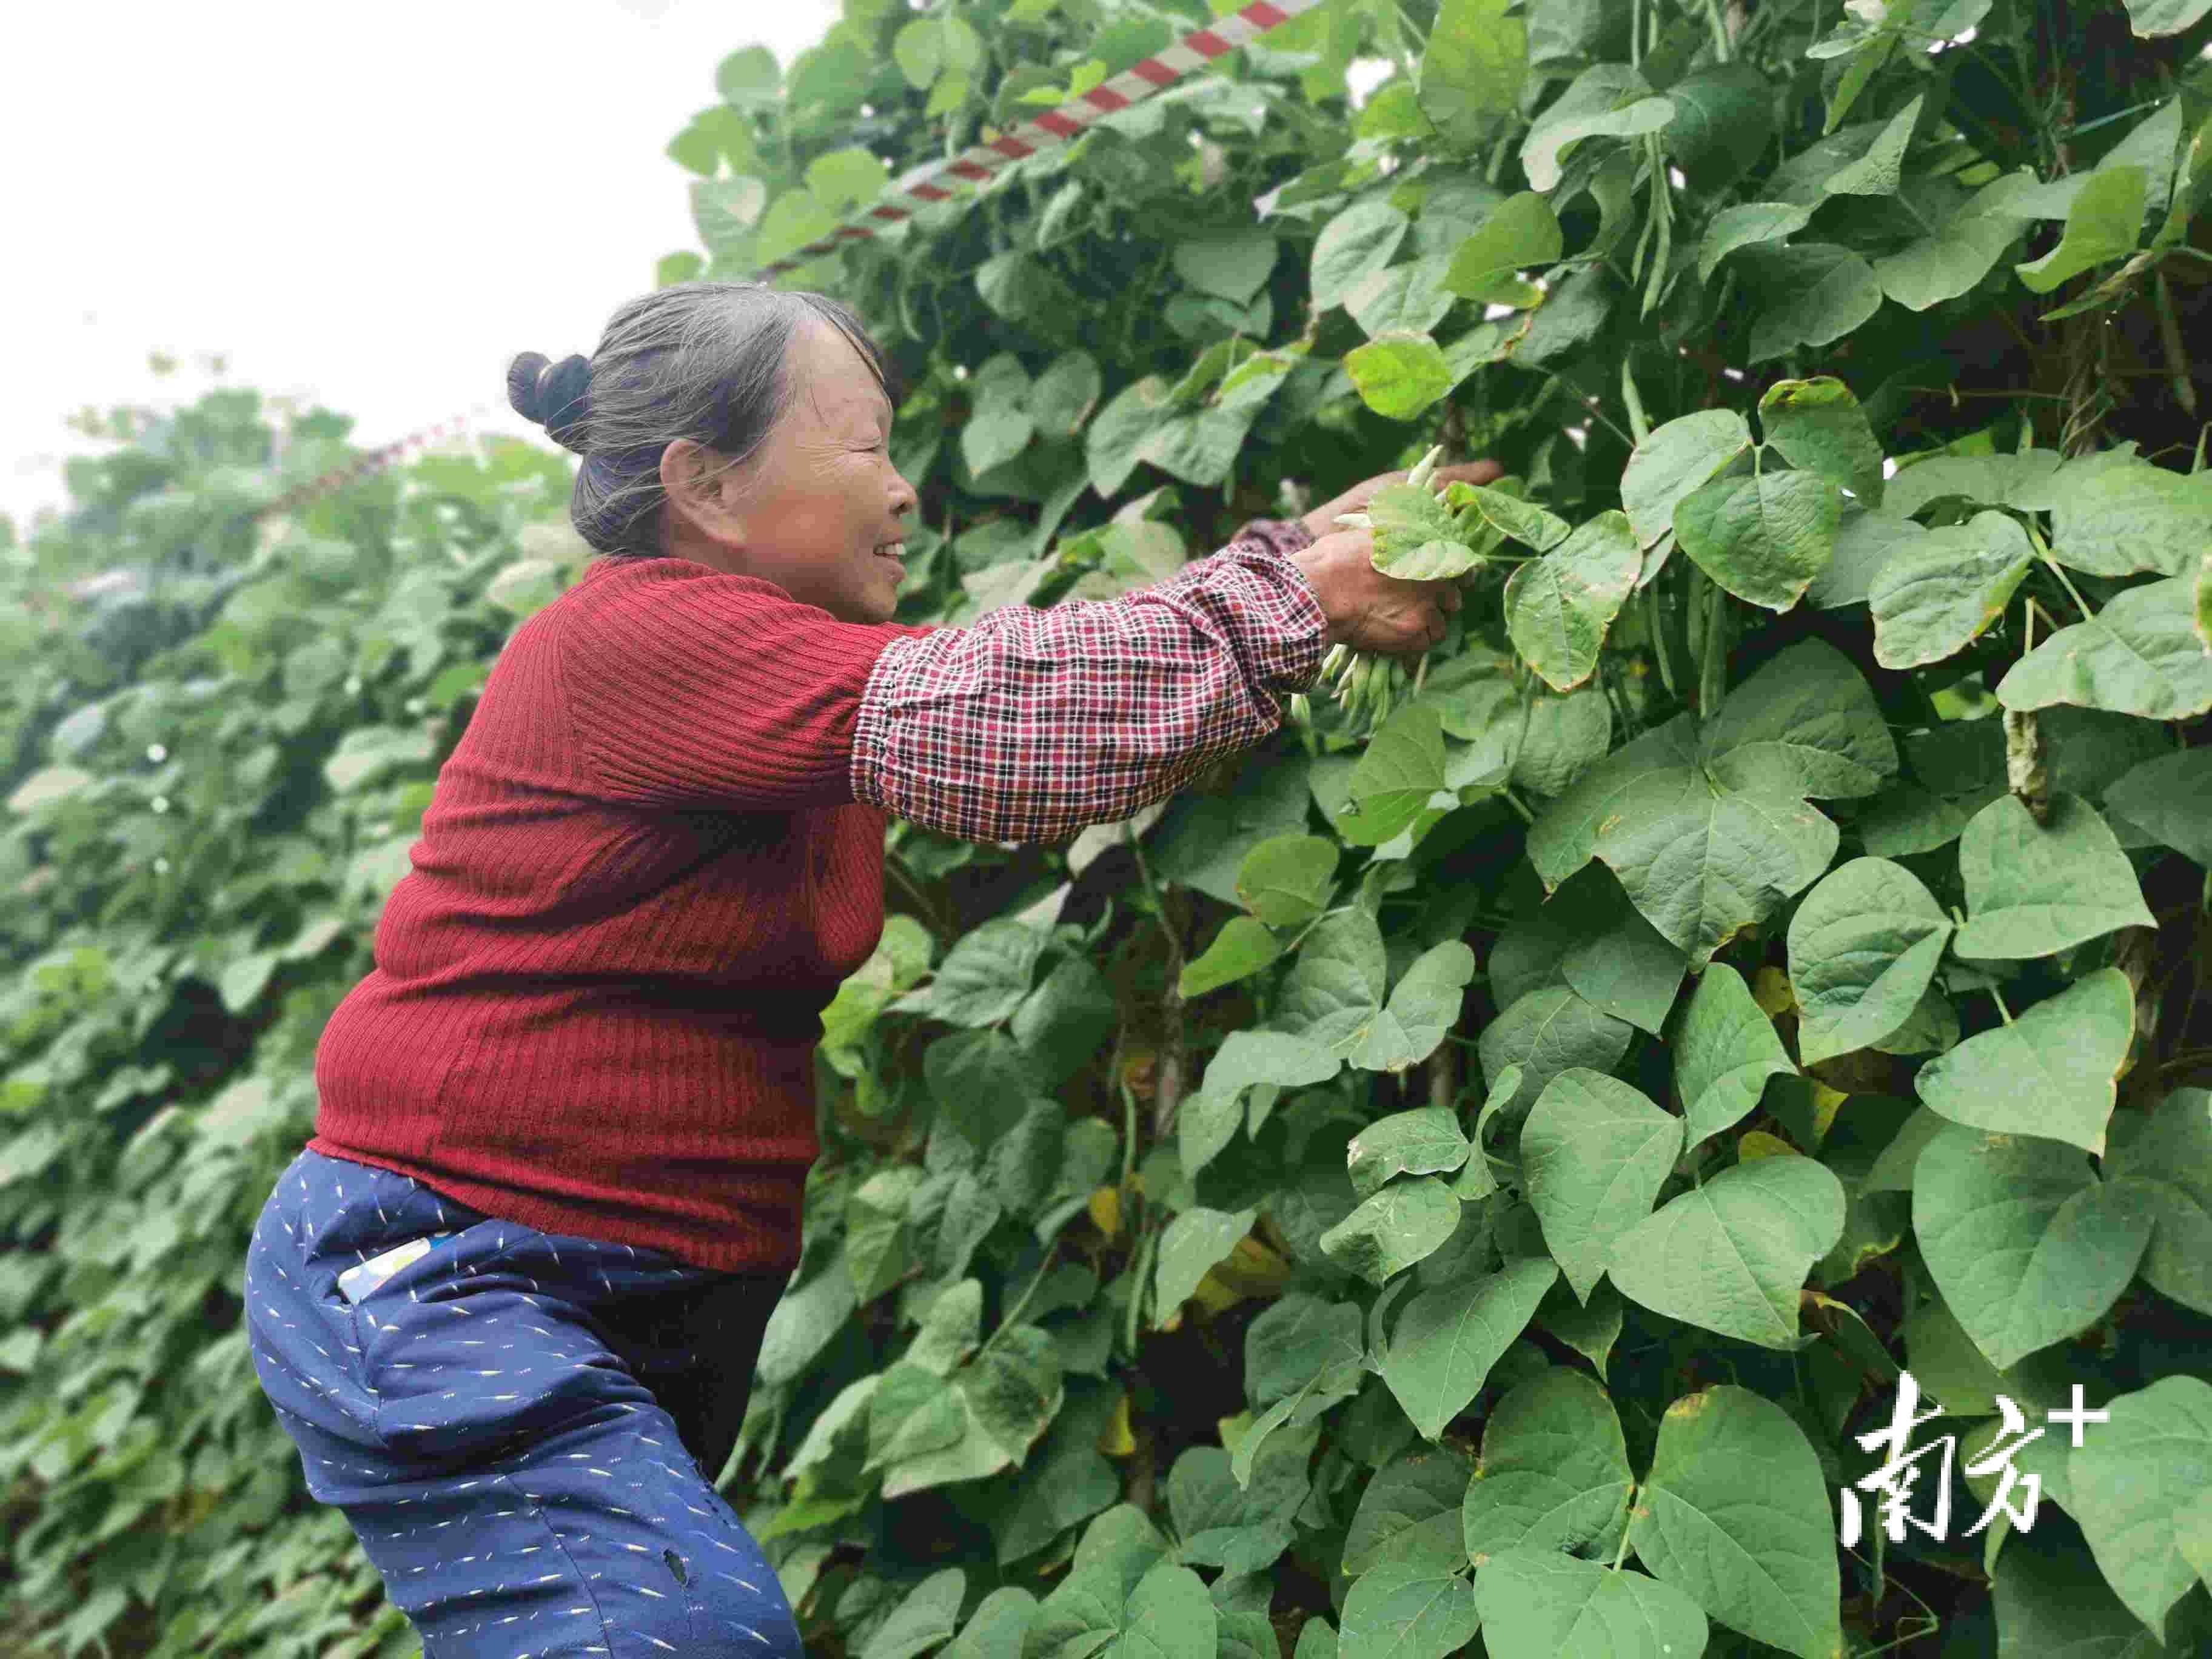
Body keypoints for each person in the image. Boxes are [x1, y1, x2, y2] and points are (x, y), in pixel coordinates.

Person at [241, 281, 1496, 1658]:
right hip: (447, 1268)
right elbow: (1011, 717)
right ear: (706, 484)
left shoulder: (782, 673)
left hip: (616, 1292)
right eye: (865, 448)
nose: (905, 493)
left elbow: (1016, 676)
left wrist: (1302, 552)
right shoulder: (632, 639)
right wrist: (1295, 594)